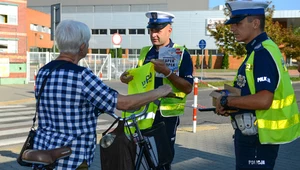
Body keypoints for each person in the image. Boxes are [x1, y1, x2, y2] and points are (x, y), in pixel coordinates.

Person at [33, 19, 172, 170]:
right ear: (82, 47)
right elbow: (124, 103)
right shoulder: (81, 75)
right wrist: (160, 91)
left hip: (43, 148)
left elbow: (64, 104)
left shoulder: (44, 72)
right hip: (71, 157)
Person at [215, 1, 300, 170]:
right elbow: (250, 90)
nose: (232, 29)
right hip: (254, 136)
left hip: (256, 140)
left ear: (255, 23)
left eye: (238, 23)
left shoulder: (262, 53)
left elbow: (263, 100)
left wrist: (227, 101)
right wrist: (228, 100)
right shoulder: (258, 51)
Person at [120, 11, 193, 169]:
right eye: (151, 30)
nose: (154, 34)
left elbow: (187, 88)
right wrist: (125, 78)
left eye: (158, 30)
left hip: (166, 115)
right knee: (143, 158)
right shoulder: (146, 52)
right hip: (143, 113)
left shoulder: (180, 53)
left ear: (169, 30)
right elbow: (140, 79)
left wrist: (167, 72)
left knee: (162, 160)